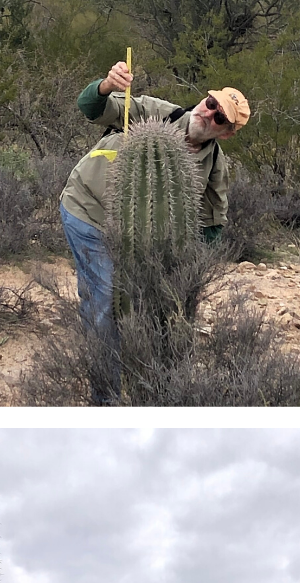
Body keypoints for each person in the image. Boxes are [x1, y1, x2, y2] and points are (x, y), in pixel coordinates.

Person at [58, 61, 246, 368]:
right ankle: (104, 389)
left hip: (139, 241)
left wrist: (188, 274)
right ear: (203, 99)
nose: (209, 114)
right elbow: (90, 107)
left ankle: (137, 371)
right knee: (105, 298)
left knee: (138, 301)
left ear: (226, 133)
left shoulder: (215, 164)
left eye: (220, 117)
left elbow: (212, 223)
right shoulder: (156, 112)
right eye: (211, 104)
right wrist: (106, 85)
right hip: (88, 213)